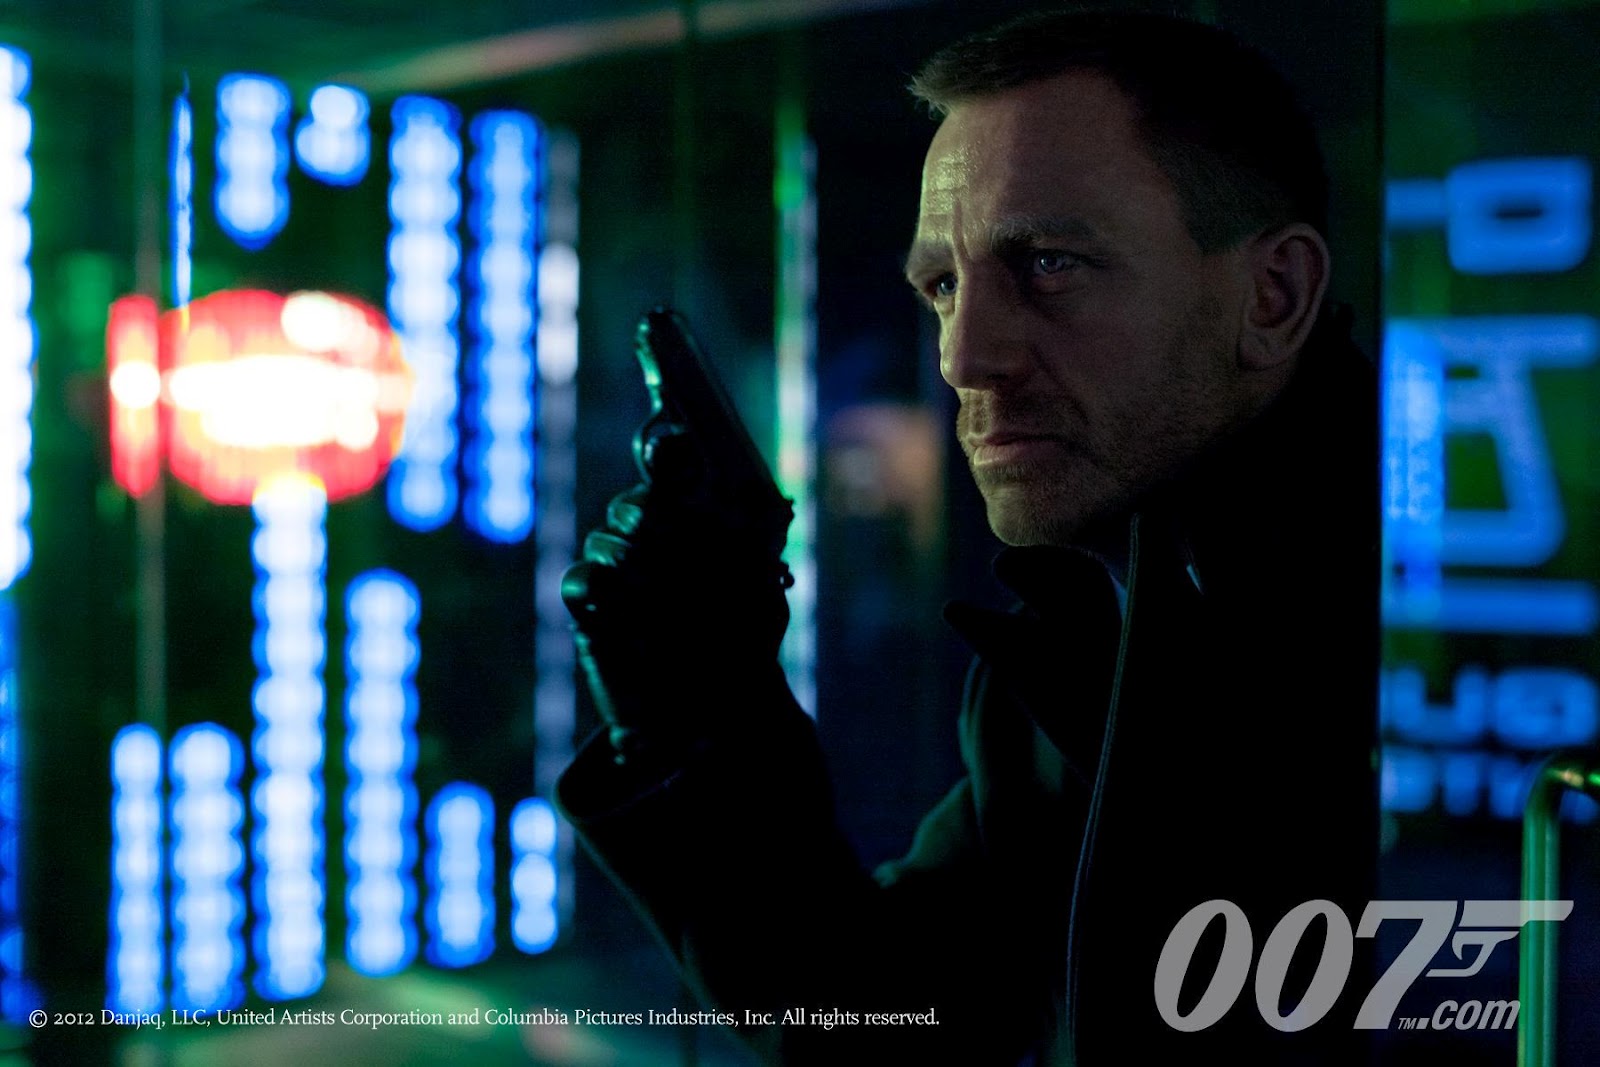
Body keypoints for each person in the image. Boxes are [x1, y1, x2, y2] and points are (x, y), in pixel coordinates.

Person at [557, 9, 1378, 1065]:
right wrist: (696, 716)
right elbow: (890, 1024)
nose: (962, 354)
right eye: (942, 286)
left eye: (1050, 263)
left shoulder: (1416, 635)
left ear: (1274, 296)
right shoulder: (1083, 653)